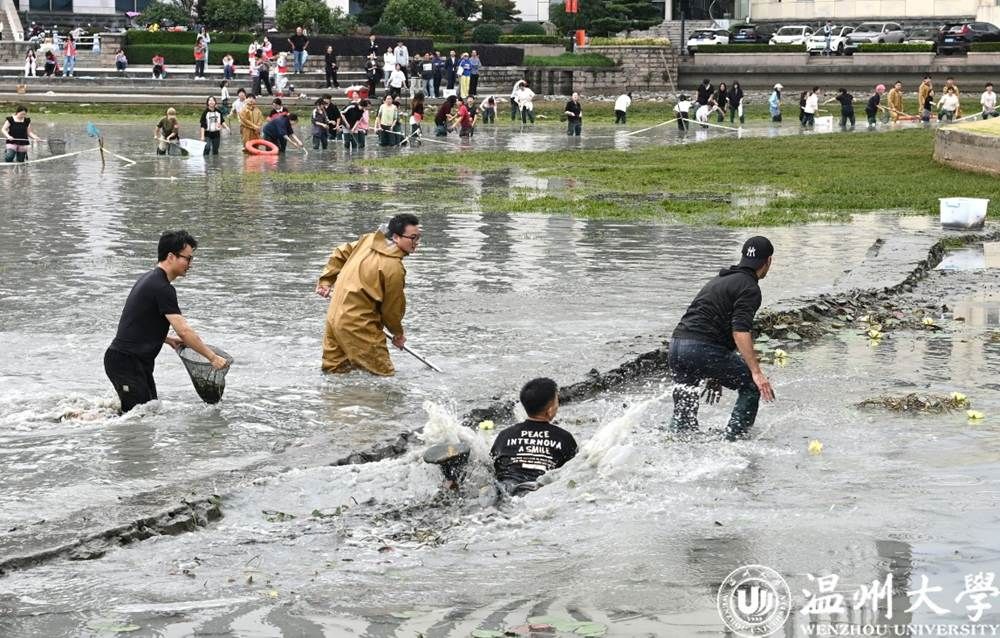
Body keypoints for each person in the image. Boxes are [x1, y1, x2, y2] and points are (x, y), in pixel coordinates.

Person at [104, 230, 227, 413]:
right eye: (187, 258)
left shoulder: (150, 279)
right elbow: (184, 331)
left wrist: (167, 339)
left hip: (133, 362)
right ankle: (72, 419)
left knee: (147, 411)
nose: (190, 264)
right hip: (126, 361)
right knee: (139, 417)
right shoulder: (162, 288)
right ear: (171, 256)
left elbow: (140, 321)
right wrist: (212, 358)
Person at [668, 236, 776, 440]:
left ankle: (673, 442)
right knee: (751, 386)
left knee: (684, 416)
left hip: (676, 347)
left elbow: (710, 322)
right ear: (768, 261)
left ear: (744, 257)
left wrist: (715, 371)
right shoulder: (750, 288)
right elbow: (740, 331)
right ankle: (732, 442)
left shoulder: (719, 279)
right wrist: (757, 373)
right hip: (701, 349)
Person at [315, 214, 422, 375]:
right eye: (413, 238)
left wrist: (326, 281)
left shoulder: (368, 240)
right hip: (359, 326)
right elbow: (391, 310)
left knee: (336, 372)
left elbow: (340, 253)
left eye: (419, 237)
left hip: (334, 319)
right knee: (383, 375)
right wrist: (398, 333)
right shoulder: (394, 268)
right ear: (396, 237)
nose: (416, 243)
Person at [489, 378, 578, 495]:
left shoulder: (505, 434)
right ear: (550, 411)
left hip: (506, 487)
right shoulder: (564, 437)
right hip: (539, 491)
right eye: (557, 401)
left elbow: (493, 464)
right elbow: (574, 470)